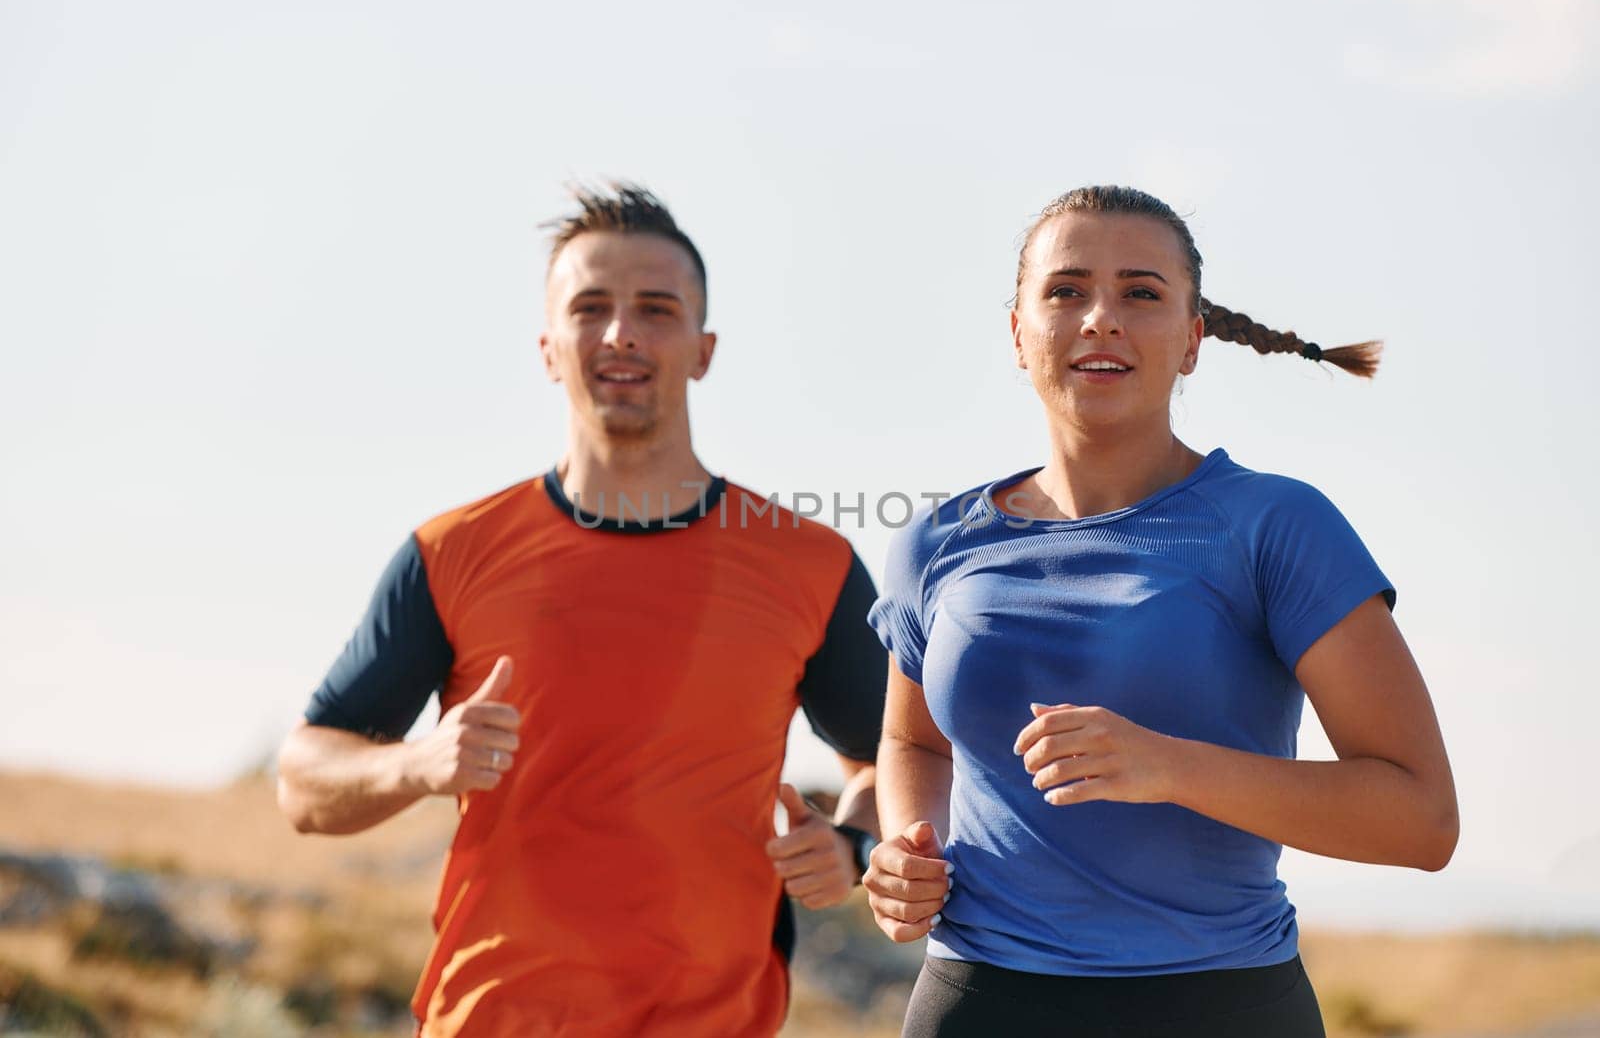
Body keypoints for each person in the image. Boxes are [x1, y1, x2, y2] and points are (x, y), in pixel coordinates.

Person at [275, 183, 887, 1037]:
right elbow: (304, 780)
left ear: (704, 350)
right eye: (590, 307)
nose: (621, 333)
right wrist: (418, 766)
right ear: (549, 348)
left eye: (656, 309)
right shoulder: (452, 552)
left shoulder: (808, 564)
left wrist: (854, 847)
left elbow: (896, 761)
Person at [862, 186, 1458, 1037]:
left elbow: (1423, 820)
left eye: (1141, 293)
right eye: (1066, 290)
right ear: (1017, 333)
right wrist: (905, 848)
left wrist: (1168, 766)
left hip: (1217, 1005)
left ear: (1191, 342)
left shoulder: (1275, 526)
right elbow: (912, 740)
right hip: (977, 1003)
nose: (1102, 317)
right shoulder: (934, 543)